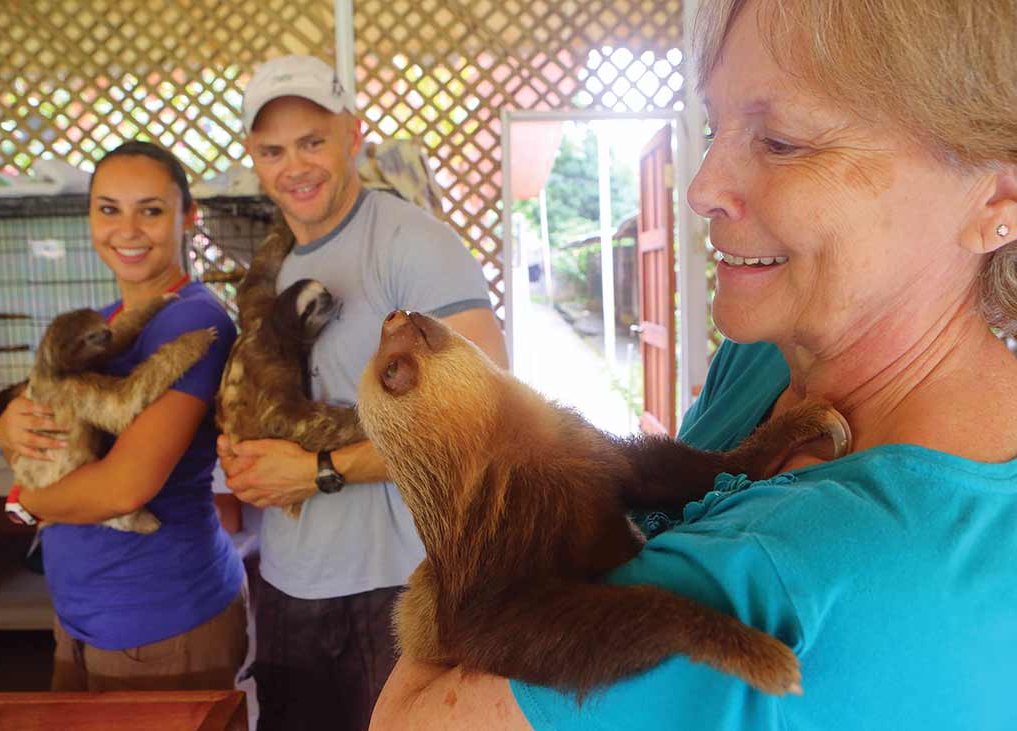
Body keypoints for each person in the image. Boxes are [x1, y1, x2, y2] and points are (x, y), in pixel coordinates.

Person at [369, 0, 1017, 729]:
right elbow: (642, 479)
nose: (702, 185)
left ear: (995, 193)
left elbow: (409, 714)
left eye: (782, 141)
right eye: (715, 127)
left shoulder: (830, 567)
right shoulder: (766, 359)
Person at [217, 55, 508, 730]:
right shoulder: (273, 262)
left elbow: (485, 410)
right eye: (273, 150)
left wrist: (319, 470)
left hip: (401, 584)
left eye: (313, 142)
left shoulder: (414, 243)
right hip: (290, 580)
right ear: (254, 160)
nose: (295, 166)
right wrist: (245, 451)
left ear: (352, 135)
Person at [0, 141, 246, 691]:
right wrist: (7, 424)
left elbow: (123, 489)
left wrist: (26, 504)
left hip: (158, 619)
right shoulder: (101, 323)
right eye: (109, 209)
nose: (127, 229)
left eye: (150, 210)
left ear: (187, 218)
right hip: (83, 615)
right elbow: (39, 429)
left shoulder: (194, 322)